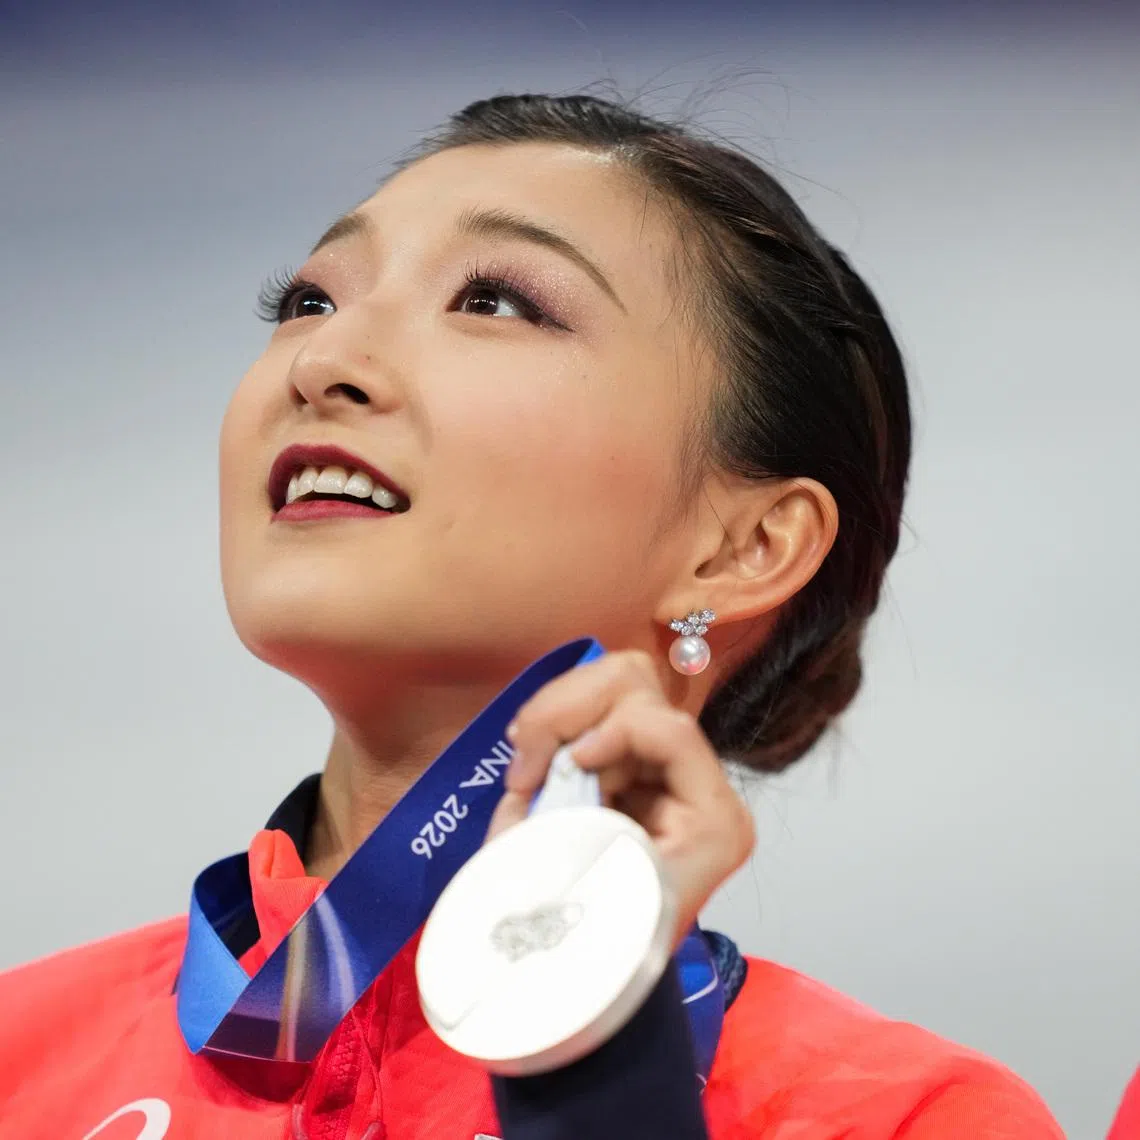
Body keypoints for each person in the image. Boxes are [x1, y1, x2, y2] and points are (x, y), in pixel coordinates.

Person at [0, 93, 1065, 1139]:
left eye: (495, 302)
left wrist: (601, 1097)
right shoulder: (19, 1057)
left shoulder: (899, 1118)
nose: (321, 365)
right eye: (309, 302)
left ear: (747, 546)